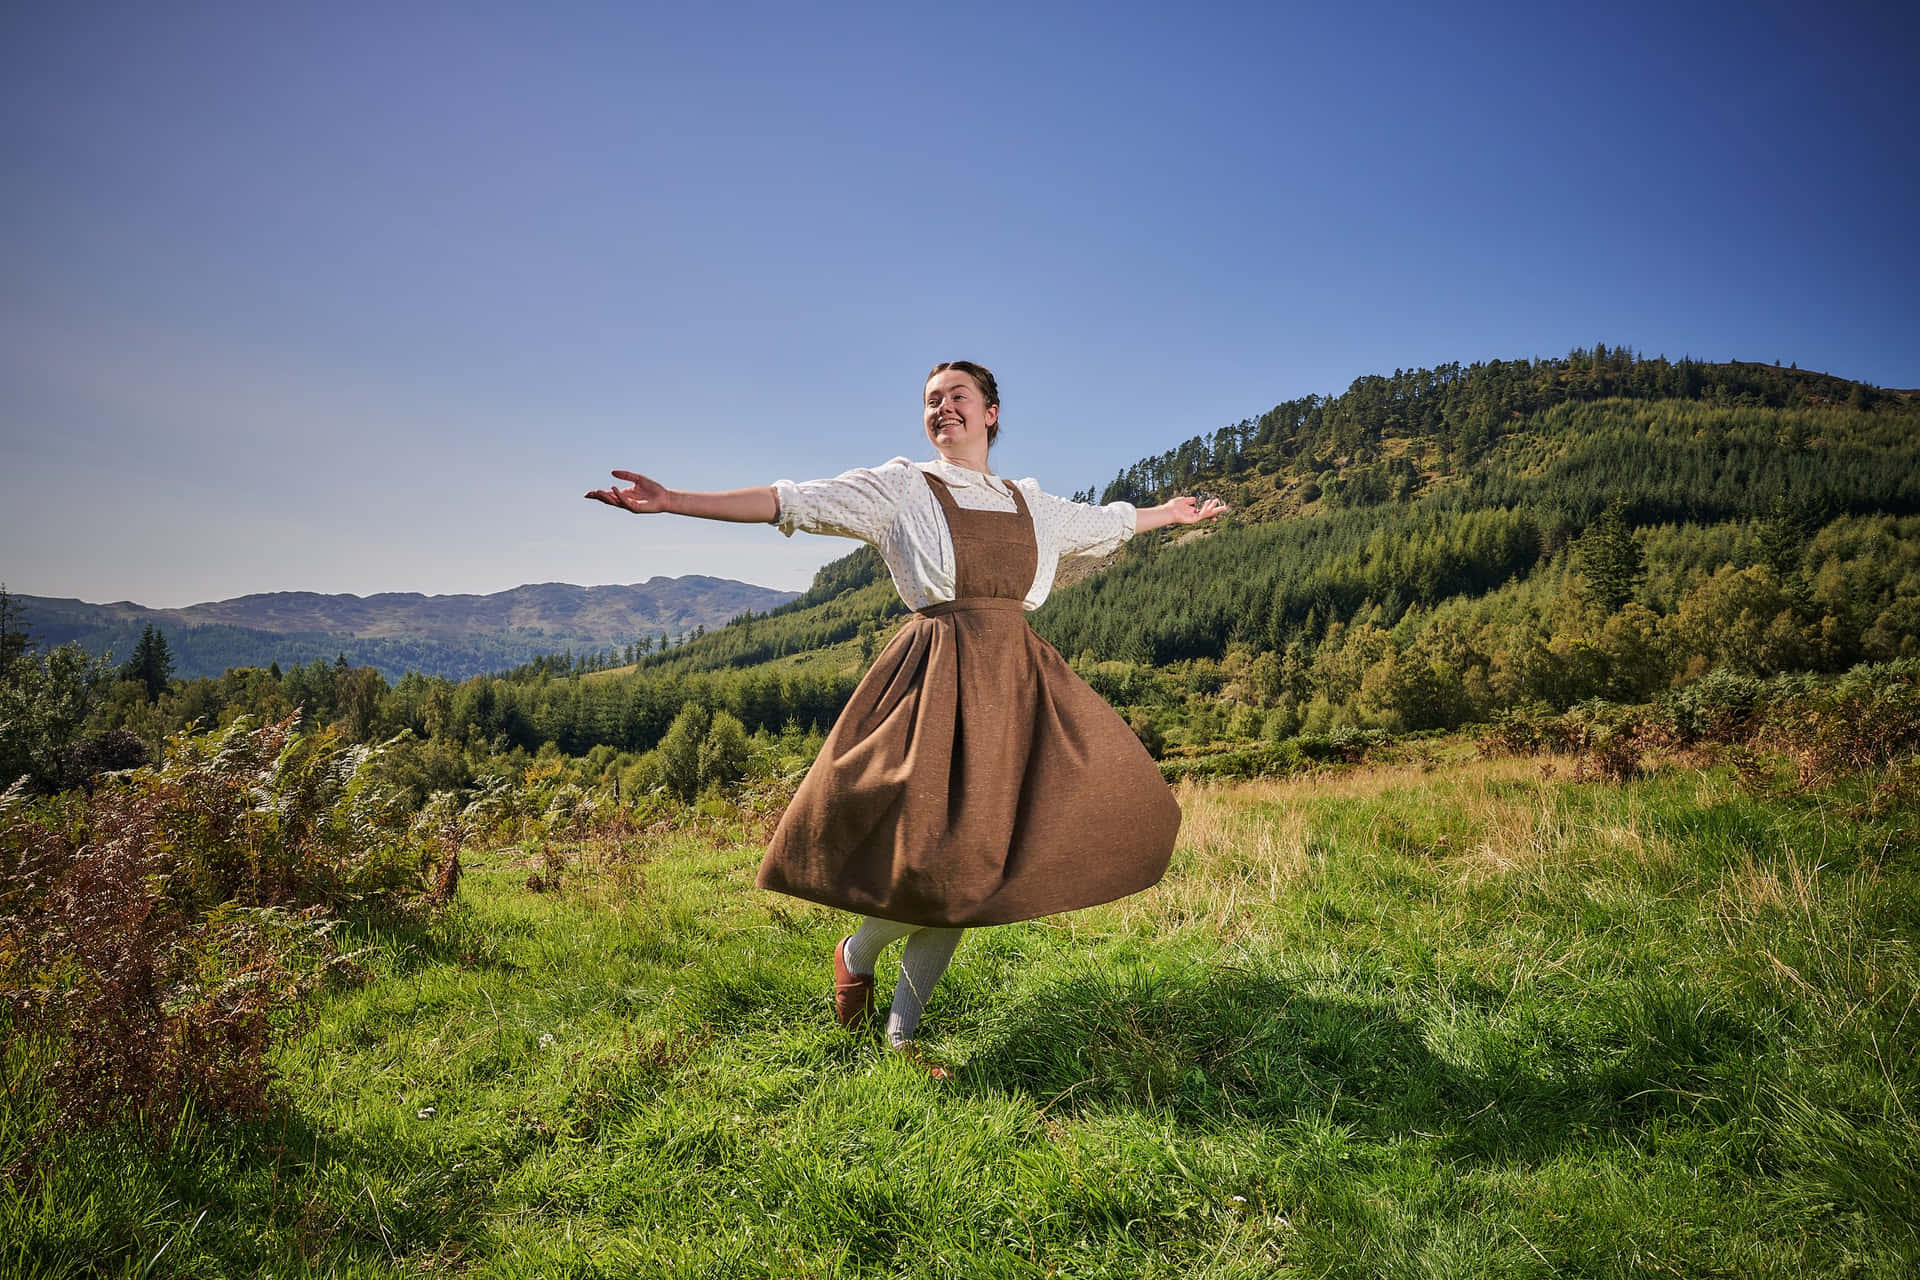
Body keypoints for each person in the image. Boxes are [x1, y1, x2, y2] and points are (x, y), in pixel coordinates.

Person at [587, 361, 1226, 1076]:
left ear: (990, 412)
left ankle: (900, 1034)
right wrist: (673, 500)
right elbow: (788, 501)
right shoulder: (900, 488)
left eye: (957, 396)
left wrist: (1172, 515)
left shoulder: (1030, 503)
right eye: (930, 401)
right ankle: (859, 958)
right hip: (937, 681)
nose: (942, 408)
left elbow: (1106, 522)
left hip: (1014, 685)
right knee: (941, 864)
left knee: (978, 869)